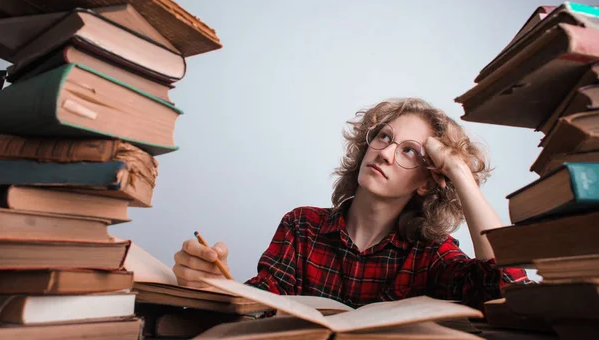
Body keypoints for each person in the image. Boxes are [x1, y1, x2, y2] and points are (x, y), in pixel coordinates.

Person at [172, 97, 531, 311]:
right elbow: (259, 306)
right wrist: (211, 285)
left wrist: (458, 172)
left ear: (426, 181)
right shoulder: (301, 227)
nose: (386, 153)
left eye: (409, 151)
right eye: (384, 137)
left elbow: (508, 286)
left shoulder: (431, 255)